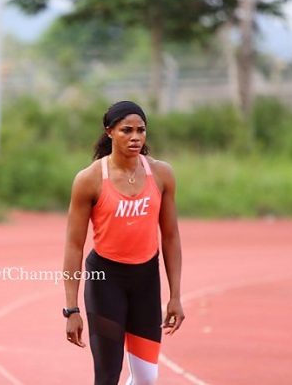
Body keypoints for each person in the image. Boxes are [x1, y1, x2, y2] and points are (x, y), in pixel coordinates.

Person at [63, 100, 184, 385]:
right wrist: (71, 308)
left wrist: (175, 296)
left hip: (145, 280)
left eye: (141, 131)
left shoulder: (162, 174)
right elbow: (73, 245)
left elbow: (170, 236)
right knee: (107, 375)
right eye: (126, 130)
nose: (135, 137)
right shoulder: (89, 180)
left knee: (147, 378)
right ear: (109, 132)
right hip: (106, 280)